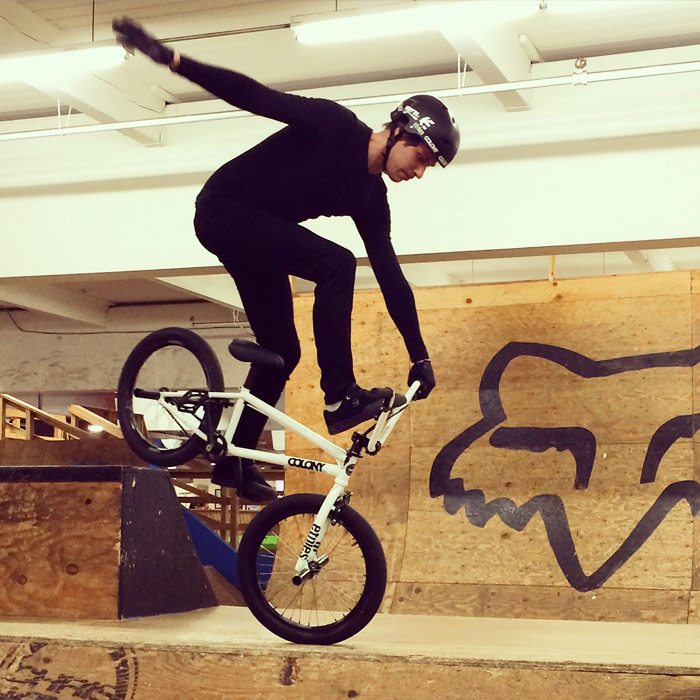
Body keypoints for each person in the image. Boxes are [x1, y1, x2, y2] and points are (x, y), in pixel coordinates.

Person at [113, 18, 460, 502]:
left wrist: (419, 356)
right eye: (420, 159)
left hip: (256, 234)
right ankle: (340, 395)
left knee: (283, 350)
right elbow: (255, 97)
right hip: (223, 210)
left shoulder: (370, 198)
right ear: (400, 131)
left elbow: (391, 277)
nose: (419, 173)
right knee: (336, 263)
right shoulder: (335, 126)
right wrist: (171, 59)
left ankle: (232, 463)